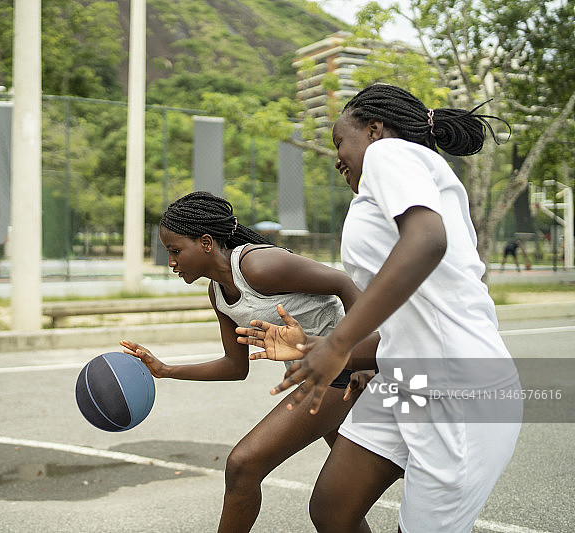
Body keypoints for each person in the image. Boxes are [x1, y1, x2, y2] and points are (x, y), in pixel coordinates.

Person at [237, 84, 523, 533]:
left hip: (462, 392)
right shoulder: (396, 184)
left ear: (374, 130)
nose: (336, 158)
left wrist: (339, 343)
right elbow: (407, 328)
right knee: (332, 508)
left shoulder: (391, 154)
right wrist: (319, 345)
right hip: (410, 383)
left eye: (339, 141)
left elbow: (428, 240)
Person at [119, 191, 379, 533]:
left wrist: (361, 356)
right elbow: (234, 366)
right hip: (319, 374)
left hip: (342, 371)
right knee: (341, 509)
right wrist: (166, 370)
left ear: (207, 242)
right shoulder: (218, 293)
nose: (171, 262)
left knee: (243, 464)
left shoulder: (258, 266)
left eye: (175, 251)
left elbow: (346, 284)